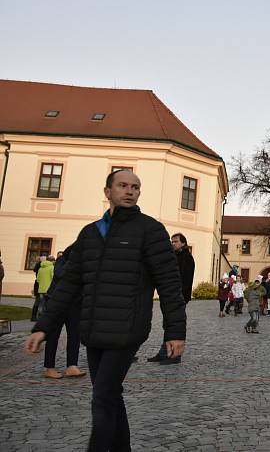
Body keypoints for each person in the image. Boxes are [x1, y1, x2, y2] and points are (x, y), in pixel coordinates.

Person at [25, 169, 186, 452]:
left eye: (135, 187)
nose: (130, 191)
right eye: (123, 185)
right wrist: (43, 326)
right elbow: (68, 285)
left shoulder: (150, 231)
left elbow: (170, 285)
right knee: (111, 395)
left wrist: (174, 332)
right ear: (107, 191)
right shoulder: (90, 234)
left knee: (102, 397)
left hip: (127, 329)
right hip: (94, 330)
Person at [148, 233, 194, 364]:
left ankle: (175, 355)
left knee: (173, 324)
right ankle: (164, 352)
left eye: (175, 241)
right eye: (172, 241)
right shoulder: (175, 256)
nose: (172, 243)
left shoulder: (186, 258)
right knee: (167, 323)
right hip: (171, 295)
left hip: (178, 296)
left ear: (183, 243)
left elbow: (184, 279)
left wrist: (180, 296)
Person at [42, 246, 86, 379]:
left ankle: (72, 366)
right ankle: (49, 368)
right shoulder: (62, 261)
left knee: (74, 336)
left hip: (74, 304)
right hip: (57, 303)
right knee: (53, 336)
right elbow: (61, 274)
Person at [35, 255, 55, 320]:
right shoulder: (52, 267)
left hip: (41, 289)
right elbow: (53, 278)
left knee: (41, 304)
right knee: (48, 304)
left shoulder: (40, 268)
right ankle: (46, 318)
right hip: (49, 289)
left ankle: (40, 317)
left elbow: (38, 279)